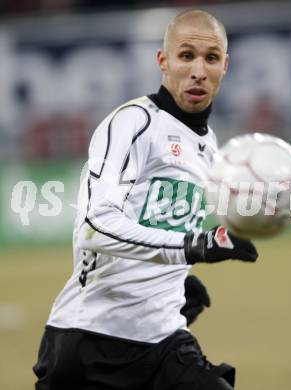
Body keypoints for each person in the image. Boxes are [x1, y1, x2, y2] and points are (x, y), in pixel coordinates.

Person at [33, 9, 258, 390]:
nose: (198, 71)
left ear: (226, 66)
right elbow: (95, 227)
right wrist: (195, 247)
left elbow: (157, 226)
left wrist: (173, 282)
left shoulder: (208, 146)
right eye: (186, 56)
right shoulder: (134, 123)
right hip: (92, 343)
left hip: (164, 343)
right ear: (163, 61)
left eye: (211, 58)